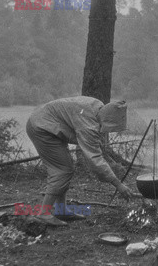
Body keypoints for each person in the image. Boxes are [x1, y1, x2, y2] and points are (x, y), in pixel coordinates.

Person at [26, 96, 133, 226]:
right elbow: (95, 160)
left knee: (66, 168)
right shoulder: (88, 126)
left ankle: (61, 210)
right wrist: (118, 185)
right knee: (61, 171)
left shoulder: (97, 105)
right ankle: (44, 214)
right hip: (41, 128)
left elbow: (94, 145)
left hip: (47, 122)